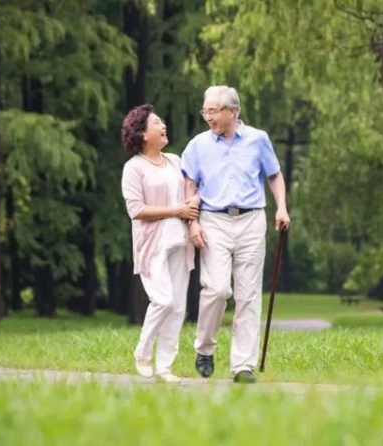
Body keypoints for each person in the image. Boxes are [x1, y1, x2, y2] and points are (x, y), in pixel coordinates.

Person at [181, 86, 290, 384]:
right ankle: (205, 348)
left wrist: (281, 207)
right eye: (205, 111)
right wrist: (192, 224)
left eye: (212, 111)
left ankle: (243, 366)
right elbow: (189, 185)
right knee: (216, 289)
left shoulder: (258, 140)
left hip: (252, 219)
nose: (207, 117)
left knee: (248, 294)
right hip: (213, 221)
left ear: (232, 111)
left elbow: (274, 175)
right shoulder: (198, 145)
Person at [121, 104, 199, 383]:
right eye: (156, 123)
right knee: (163, 300)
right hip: (151, 244)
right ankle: (143, 351)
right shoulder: (133, 168)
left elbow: (195, 191)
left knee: (178, 306)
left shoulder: (176, 161)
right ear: (142, 134)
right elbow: (136, 210)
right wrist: (177, 210)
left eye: (162, 121)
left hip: (180, 240)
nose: (163, 125)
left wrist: (192, 205)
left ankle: (164, 366)